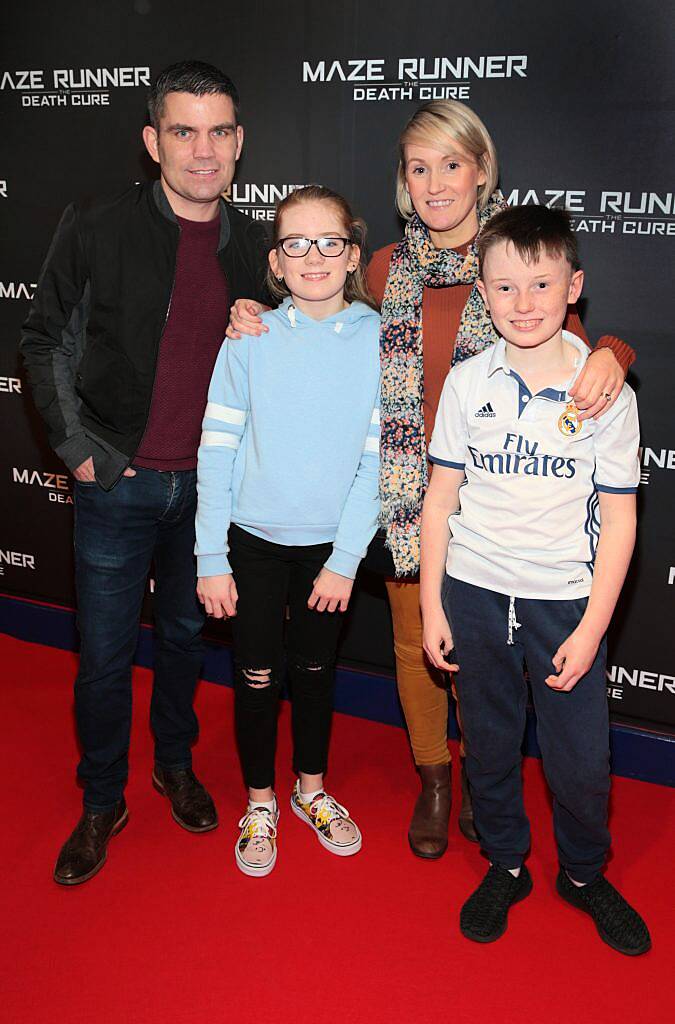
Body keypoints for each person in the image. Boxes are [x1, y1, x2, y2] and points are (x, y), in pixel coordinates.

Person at [225, 100, 635, 860]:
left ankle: (486, 783)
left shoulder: (516, 255)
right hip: (412, 498)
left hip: (506, 502)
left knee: (482, 662)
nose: (435, 182)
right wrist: (251, 311)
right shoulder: (382, 267)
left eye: (451, 163)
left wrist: (614, 350)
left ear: (481, 170)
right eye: (419, 167)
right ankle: (436, 778)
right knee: (417, 644)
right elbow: (317, 320)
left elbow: (576, 345)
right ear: (402, 182)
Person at [20, 60, 271, 885]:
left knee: (186, 641)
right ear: (151, 140)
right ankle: (101, 800)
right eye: (183, 130)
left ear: (238, 141)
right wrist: (83, 453)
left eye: (219, 131)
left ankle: (173, 765)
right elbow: (45, 339)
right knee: (100, 655)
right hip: (118, 482)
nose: (203, 150)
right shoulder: (96, 223)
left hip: (206, 491)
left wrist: (261, 326)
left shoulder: (257, 250)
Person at [420, 204, 650, 955]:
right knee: (485, 746)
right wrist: (430, 606)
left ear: (572, 285)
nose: (524, 304)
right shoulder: (464, 383)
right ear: (482, 293)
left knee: (581, 763)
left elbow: (618, 520)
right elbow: (441, 499)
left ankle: (582, 875)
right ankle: (506, 863)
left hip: (563, 605)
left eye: (541, 284)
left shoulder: (604, 392)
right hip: (474, 594)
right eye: (505, 287)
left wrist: (592, 630)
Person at [195, 185, 380, 877]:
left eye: (329, 242)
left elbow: (375, 458)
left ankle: (310, 791)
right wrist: (210, 555)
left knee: (313, 671)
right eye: (295, 244)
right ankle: (260, 801)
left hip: (328, 550)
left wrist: (345, 558)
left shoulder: (377, 337)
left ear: (352, 253)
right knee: (255, 673)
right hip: (249, 541)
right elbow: (215, 449)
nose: (313, 256)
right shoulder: (251, 338)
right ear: (274, 262)